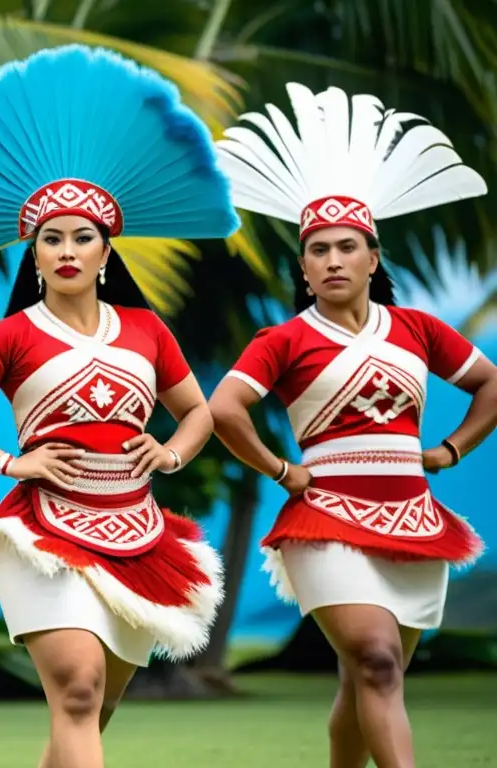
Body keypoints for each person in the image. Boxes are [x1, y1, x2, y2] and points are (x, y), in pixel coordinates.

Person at [0, 45, 239, 768]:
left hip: (139, 532)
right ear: (34, 255)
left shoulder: (150, 331)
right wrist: (10, 460)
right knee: (80, 691)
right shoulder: (9, 335)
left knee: (96, 706)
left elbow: (200, 411)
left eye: (80, 238)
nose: (66, 249)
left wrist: (172, 450)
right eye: (50, 239)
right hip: (41, 534)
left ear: (104, 251)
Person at [210, 82, 497, 768]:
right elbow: (223, 409)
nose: (333, 259)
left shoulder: (419, 331)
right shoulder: (282, 340)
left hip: (414, 519)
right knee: (375, 660)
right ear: (304, 270)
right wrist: (281, 471)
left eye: (347, 247)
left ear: (373, 258)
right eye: (318, 250)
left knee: (367, 674)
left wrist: (452, 450)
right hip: (325, 517)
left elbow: (489, 384)